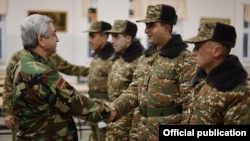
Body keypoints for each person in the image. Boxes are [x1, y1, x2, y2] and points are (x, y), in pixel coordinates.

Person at [11, 14, 115, 140]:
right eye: (54, 34)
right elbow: (75, 102)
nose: (58, 39)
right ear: (41, 39)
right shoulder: (44, 74)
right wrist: (107, 111)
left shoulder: (23, 63)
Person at [110, 4, 196, 141]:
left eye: (151, 26)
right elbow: (134, 90)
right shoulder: (145, 58)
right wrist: (115, 107)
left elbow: (190, 105)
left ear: (166, 28)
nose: (145, 30)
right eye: (146, 26)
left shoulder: (184, 59)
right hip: (141, 132)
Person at [3, 49, 89, 141]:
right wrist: (8, 112)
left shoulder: (50, 55)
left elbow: (68, 68)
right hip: (24, 114)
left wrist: (92, 71)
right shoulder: (17, 57)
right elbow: (8, 85)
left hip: (47, 116)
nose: (56, 40)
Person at [182, 22, 250, 124]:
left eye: (198, 47)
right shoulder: (200, 78)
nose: (192, 53)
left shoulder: (239, 91)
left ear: (217, 51)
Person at [104, 20, 145, 141]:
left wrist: (134, 132)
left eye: (116, 37)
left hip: (127, 127)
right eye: (112, 37)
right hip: (114, 121)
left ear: (128, 38)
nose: (112, 41)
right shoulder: (119, 57)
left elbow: (140, 98)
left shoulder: (140, 61)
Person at [83, 20, 114, 141]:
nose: (89, 40)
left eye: (92, 36)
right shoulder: (98, 55)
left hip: (105, 109)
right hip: (94, 106)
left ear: (104, 37)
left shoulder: (112, 58)